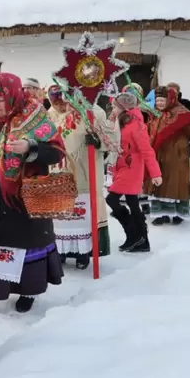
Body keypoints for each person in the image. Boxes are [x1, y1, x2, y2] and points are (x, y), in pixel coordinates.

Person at [0, 72, 64, 313]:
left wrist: (30, 147)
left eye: (1, 98)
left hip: (25, 196)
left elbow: (56, 151)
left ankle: (27, 291)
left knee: (24, 245)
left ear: (13, 95)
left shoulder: (35, 116)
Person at [46, 85, 117, 268]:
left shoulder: (94, 112)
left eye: (64, 97)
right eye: (56, 98)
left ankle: (83, 253)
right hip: (59, 173)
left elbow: (113, 139)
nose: (61, 101)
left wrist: (99, 142)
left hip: (84, 172)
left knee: (82, 216)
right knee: (61, 217)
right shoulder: (51, 114)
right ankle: (61, 251)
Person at [105, 92, 162, 252]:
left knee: (112, 199)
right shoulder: (119, 122)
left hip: (131, 168)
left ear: (124, 108)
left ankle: (134, 235)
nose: (113, 109)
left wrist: (155, 173)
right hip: (122, 166)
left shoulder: (135, 125)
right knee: (133, 203)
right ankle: (141, 240)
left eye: (115, 106)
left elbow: (147, 150)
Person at [145, 85, 190, 225]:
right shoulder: (154, 114)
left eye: (163, 100)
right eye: (158, 100)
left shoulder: (182, 116)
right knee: (158, 185)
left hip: (177, 157)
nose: (160, 103)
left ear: (170, 100)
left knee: (175, 186)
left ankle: (177, 214)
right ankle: (160, 215)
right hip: (157, 157)